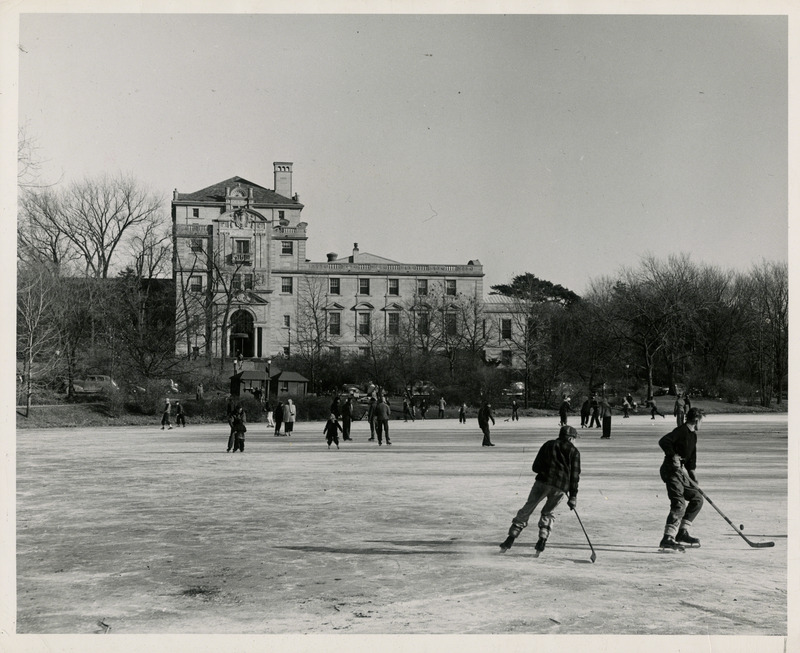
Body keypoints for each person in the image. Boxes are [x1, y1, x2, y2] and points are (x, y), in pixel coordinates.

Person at [500, 425, 581, 557]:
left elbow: (535, 467)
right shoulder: (574, 452)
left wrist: (547, 470)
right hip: (560, 487)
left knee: (528, 508)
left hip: (542, 482)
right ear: (571, 438)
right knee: (548, 513)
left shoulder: (548, 445)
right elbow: (575, 476)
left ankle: (510, 538)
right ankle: (542, 540)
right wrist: (573, 496)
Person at [657, 408, 705, 551]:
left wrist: (693, 475)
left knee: (697, 498)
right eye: (702, 421)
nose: (702, 424)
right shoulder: (681, 431)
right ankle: (667, 538)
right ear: (696, 420)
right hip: (671, 471)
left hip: (681, 473)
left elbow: (691, 457)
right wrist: (673, 456)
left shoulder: (693, 435)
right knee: (679, 504)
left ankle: (682, 533)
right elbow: (664, 441)